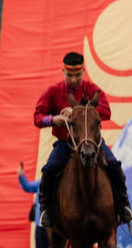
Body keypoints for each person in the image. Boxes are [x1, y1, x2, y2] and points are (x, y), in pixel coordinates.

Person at [34, 51, 132, 227]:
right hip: (66, 143)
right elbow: (37, 117)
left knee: (115, 166)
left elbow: (106, 111)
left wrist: (78, 112)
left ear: (83, 72)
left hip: (93, 143)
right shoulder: (53, 91)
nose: (73, 79)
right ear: (63, 72)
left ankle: (124, 206)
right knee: (49, 170)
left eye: (77, 75)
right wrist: (53, 120)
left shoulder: (91, 89)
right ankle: (46, 210)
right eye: (70, 75)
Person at [18, 163, 48, 248]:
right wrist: (21, 176)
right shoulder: (39, 183)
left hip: (55, 225)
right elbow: (27, 186)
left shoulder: (58, 184)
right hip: (40, 223)